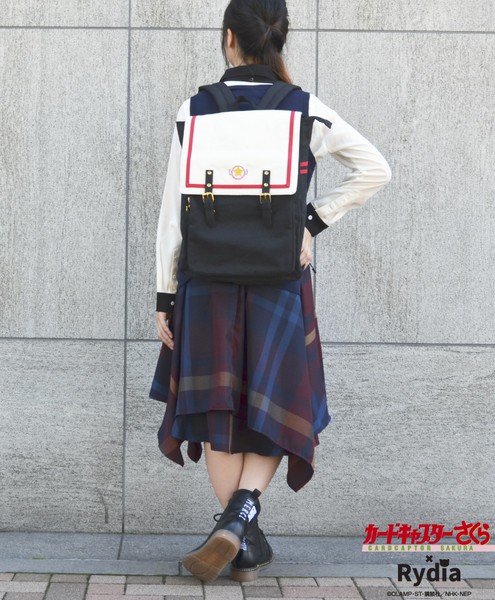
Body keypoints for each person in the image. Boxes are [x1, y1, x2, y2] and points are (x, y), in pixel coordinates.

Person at [149, 0, 392, 584]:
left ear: (229, 38)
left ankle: (235, 534)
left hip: (205, 285)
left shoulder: (195, 110)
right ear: (278, 40)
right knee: (270, 403)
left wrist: (165, 295)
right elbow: (375, 168)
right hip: (278, 285)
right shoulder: (305, 109)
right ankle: (242, 526)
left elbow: (172, 214)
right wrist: (311, 222)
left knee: (217, 410)